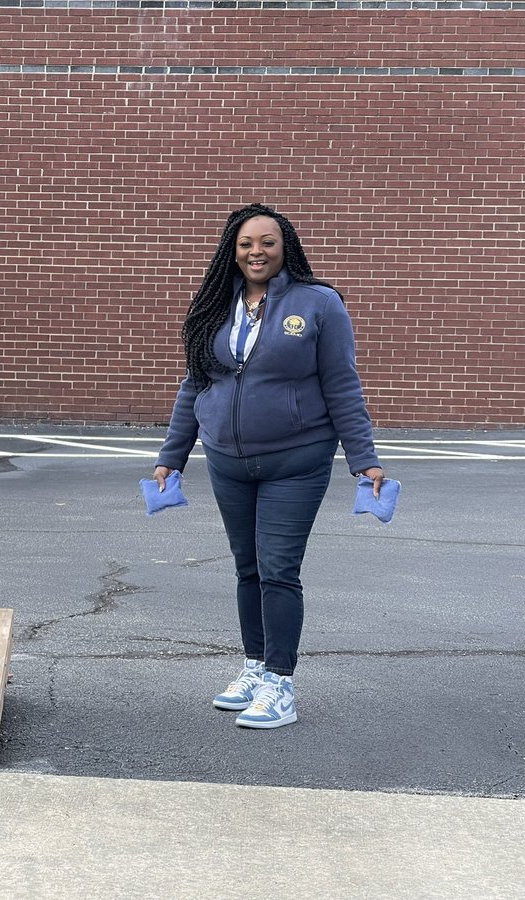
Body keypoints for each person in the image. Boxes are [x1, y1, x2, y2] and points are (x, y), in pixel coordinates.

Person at [153, 203, 383, 729]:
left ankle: (281, 682)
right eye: (245, 244)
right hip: (227, 462)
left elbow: (342, 384)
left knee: (278, 570)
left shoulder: (318, 303)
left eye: (267, 242)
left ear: (286, 248)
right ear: (232, 252)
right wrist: (172, 455)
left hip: (296, 462)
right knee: (247, 568)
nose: (256, 251)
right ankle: (255, 667)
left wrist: (364, 459)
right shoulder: (215, 304)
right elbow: (195, 383)